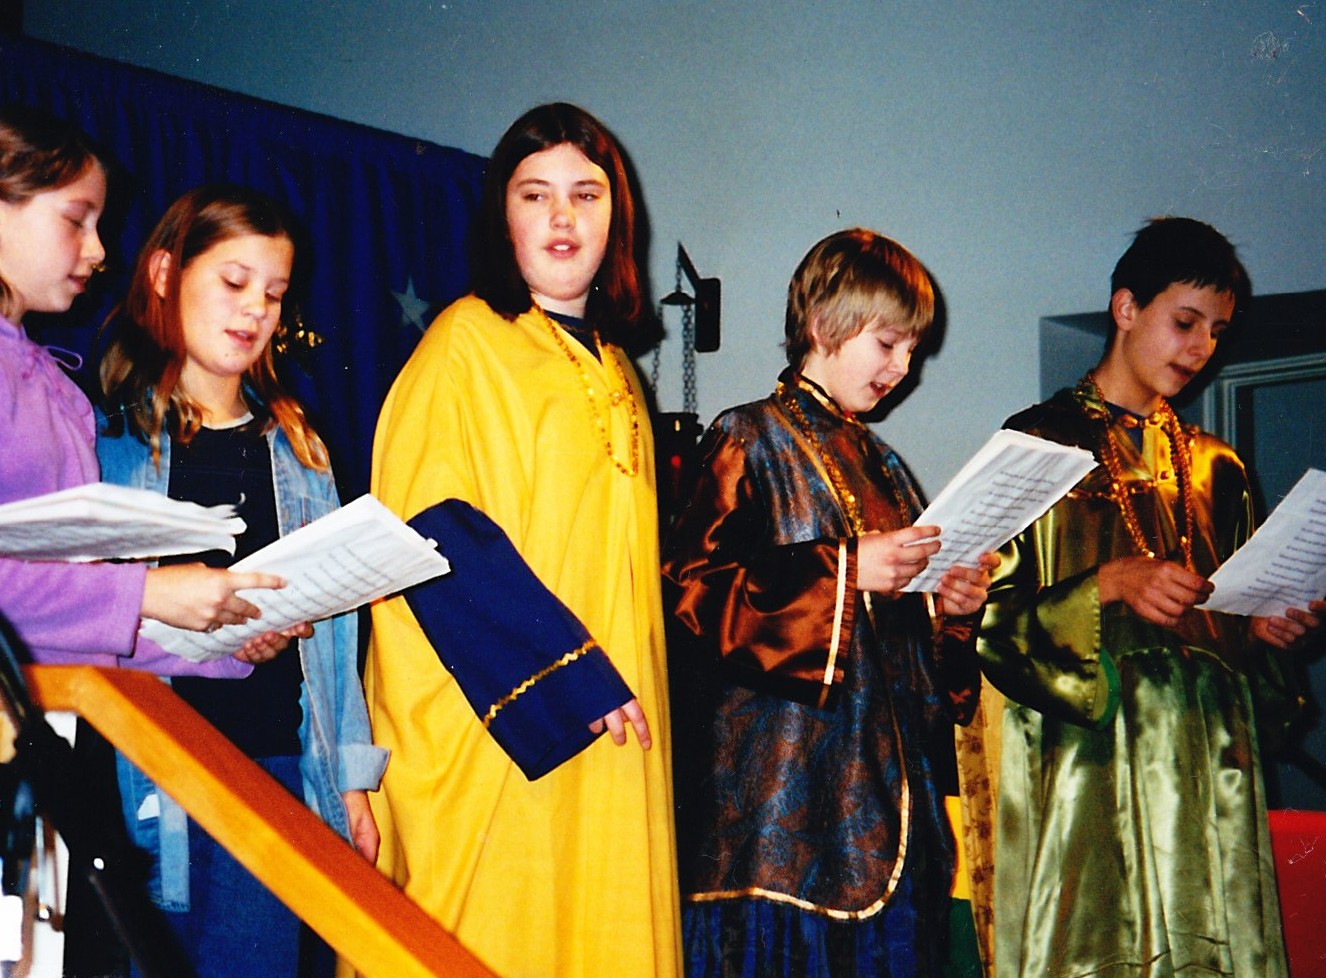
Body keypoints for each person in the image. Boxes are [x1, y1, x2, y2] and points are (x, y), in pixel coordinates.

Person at [363, 103, 680, 978]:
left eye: (586, 193)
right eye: (535, 194)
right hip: (504, 721)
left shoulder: (616, 369)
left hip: (614, 713)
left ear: (619, 219)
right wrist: (569, 672)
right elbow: (430, 529)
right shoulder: (465, 342)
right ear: (501, 216)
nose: (564, 216)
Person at [970, 217, 1325, 978]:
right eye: (1185, 322)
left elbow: (1233, 630)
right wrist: (1105, 585)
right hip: (1091, 775)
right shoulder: (1040, 442)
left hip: (1207, 779)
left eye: (1217, 332)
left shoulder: (1217, 468)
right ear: (1125, 307)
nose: (1201, 349)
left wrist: (1264, 635)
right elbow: (988, 624)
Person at [663, 228, 998, 978]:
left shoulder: (888, 467)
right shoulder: (747, 438)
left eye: (912, 348)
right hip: (779, 831)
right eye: (888, 343)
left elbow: (917, 673)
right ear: (823, 325)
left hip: (892, 821)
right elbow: (687, 597)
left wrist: (949, 612)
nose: (903, 368)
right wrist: (844, 570)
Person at [96, 184, 388, 978]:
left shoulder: (298, 448)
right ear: (163, 272)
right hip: (142, 772)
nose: (255, 308)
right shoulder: (106, 440)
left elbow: (333, 639)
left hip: (270, 769)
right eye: (232, 282)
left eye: (274, 293)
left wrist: (350, 785)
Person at [0, 102, 287, 674]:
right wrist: (146, 594)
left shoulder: (58, 392)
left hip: (61, 718)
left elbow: (71, 610)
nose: (99, 249)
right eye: (75, 220)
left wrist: (226, 633)